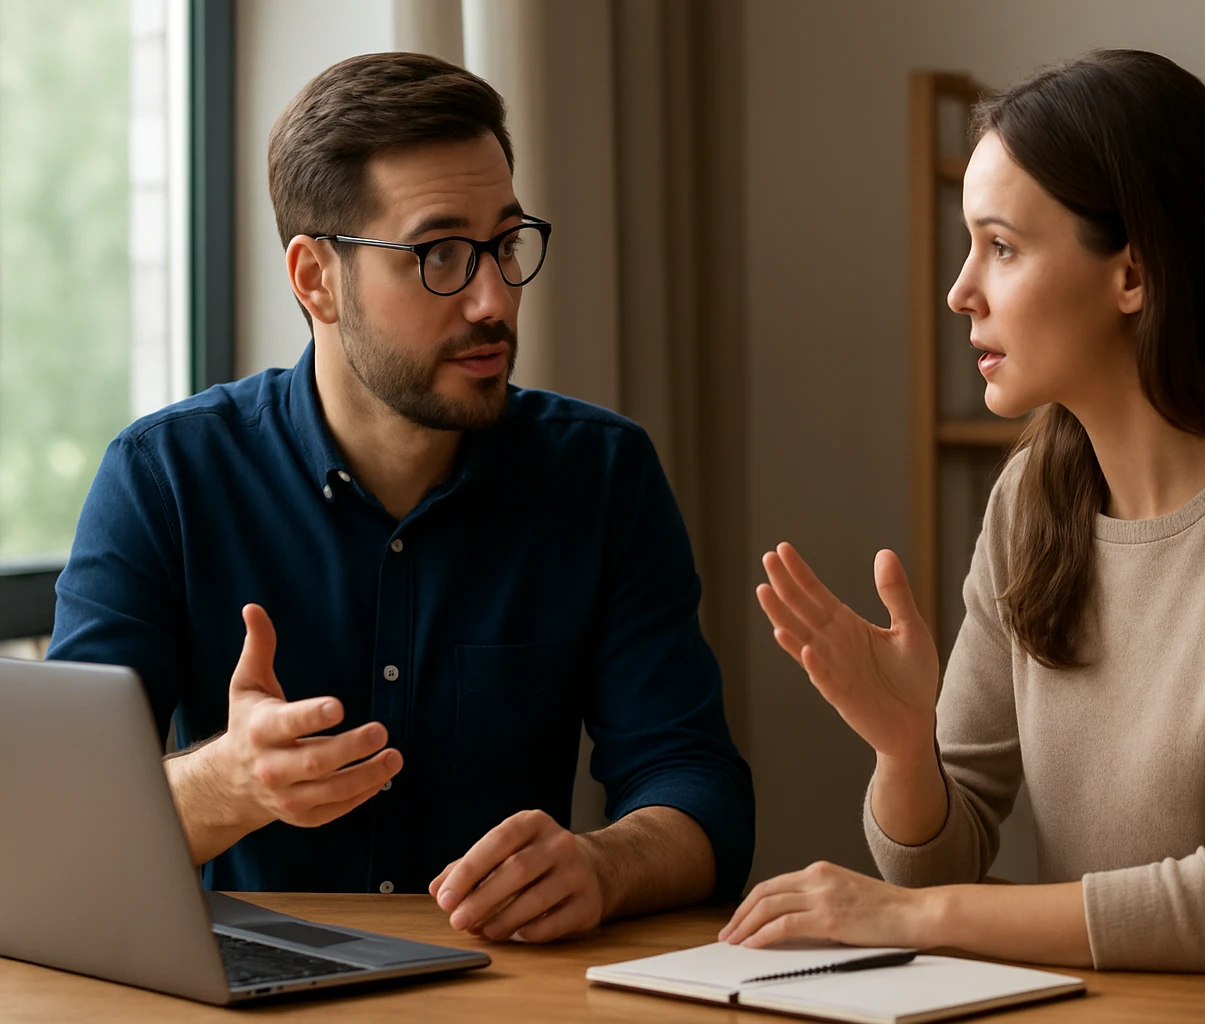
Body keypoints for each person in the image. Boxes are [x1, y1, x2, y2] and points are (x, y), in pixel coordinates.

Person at [721, 49, 1205, 1000]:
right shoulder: (1032, 501)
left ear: (1133, 274)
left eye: (1002, 247)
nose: (961, 291)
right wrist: (906, 754)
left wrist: (902, 919)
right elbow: (940, 862)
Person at [48, 51, 752, 945]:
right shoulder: (165, 478)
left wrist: (606, 865)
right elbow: (53, 827)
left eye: (505, 245)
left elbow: (700, 789)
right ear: (315, 278)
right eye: (439, 255)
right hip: (251, 990)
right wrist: (228, 783)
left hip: (501, 990)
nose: (493, 299)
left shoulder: (601, 475)